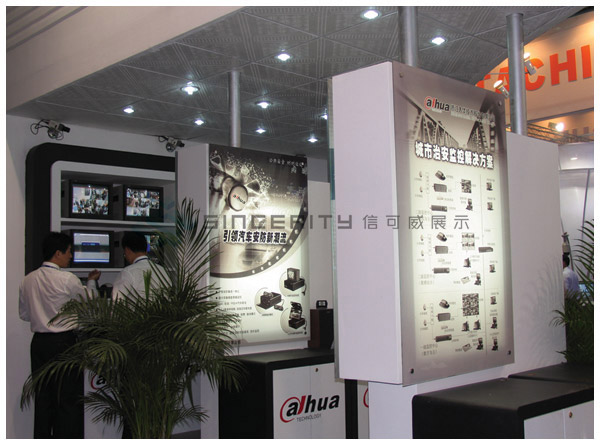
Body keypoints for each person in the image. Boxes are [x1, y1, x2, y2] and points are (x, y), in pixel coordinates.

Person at [19, 232, 101, 438]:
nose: (70, 256)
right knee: (68, 399)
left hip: (39, 344)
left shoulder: (28, 280)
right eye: (69, 252)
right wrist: (92, 282)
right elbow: (89, 302)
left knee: (43, 397)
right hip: (65, 343)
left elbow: (24, 314)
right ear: (57, 253)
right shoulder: (67, 279)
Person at [112, 232, 167, 301]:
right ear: (146, 250)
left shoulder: (127, 272)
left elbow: (117, 301)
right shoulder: (162, 271)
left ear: (127, 250)